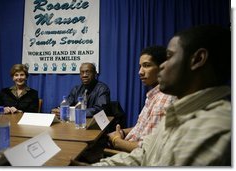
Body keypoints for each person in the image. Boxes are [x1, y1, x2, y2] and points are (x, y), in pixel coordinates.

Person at [91, 25, 231, 166]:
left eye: (169, 57)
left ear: (198, 59)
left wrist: (116, 140)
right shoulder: (177, 112)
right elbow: (144, 155)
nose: (163, 65)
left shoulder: (217, 129)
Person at [107, 46, 176, 153]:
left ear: (162, 67)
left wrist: (117, 141)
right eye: (140, 66)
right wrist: (122, 132)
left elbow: (147, 150)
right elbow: (143, 128)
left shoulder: (163, 100)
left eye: (147, 66)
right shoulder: (153, 95)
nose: (140, 72)